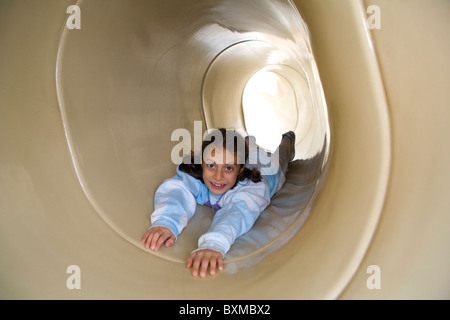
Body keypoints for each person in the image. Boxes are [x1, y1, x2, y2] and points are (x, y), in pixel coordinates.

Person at [141, 128, 295, 277]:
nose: (218, 176)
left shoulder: (251, 187)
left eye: (228, 168)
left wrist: (214, 243)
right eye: (211, 165)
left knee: (282, 158)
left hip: (267, 167)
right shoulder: (198, 175)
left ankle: (287, 140)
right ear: (202, 162)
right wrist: (167, 221)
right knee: (237, 149)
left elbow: (238, 211)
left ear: (240, 169)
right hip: (239, 156)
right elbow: (177, 189)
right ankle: (247, 144)